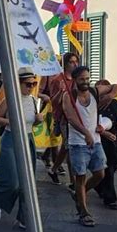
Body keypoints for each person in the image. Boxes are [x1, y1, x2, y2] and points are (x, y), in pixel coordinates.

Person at [62, 66, 117, 226]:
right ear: (75, 80)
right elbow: (71, 118)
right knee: (80, 177)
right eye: (82, 79)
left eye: (87, 78)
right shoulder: (69, 96)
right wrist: (86, 133)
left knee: (100, 174)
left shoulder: (95, 92)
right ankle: (83, 212)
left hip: (95, 142)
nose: (85, 82)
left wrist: (110, 96)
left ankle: (78, 194)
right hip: (78, 144)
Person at [0, 67, 44, 229]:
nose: (31, 87)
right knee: (11, 181)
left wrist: (38, 120)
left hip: (27, 139)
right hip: (10, 139)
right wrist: (11, 122)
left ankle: (23, 218)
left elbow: (33, 123)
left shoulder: (33, 100)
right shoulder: (9, 99)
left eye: (33, 84)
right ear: (18, 84)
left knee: (28, 182)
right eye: (28, 84)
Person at [47, 52, 80, 187]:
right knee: (70, 147)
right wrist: (61, 92)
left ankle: (53, 169)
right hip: (63, 118)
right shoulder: (57, 80)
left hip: (76, 117)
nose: (75, 64)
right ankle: (73, 182)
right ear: (65, 64)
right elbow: (53, 101)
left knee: (66, 148)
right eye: (71, 62)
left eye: (76, 61)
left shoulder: (77, 79)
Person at [93, 79, 117, 210]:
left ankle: (99, 185)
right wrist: (104, 133)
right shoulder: (94, 105)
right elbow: (92, 125)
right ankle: (110, 198)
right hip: (103, 140)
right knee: (109, 167)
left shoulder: (116, 103)